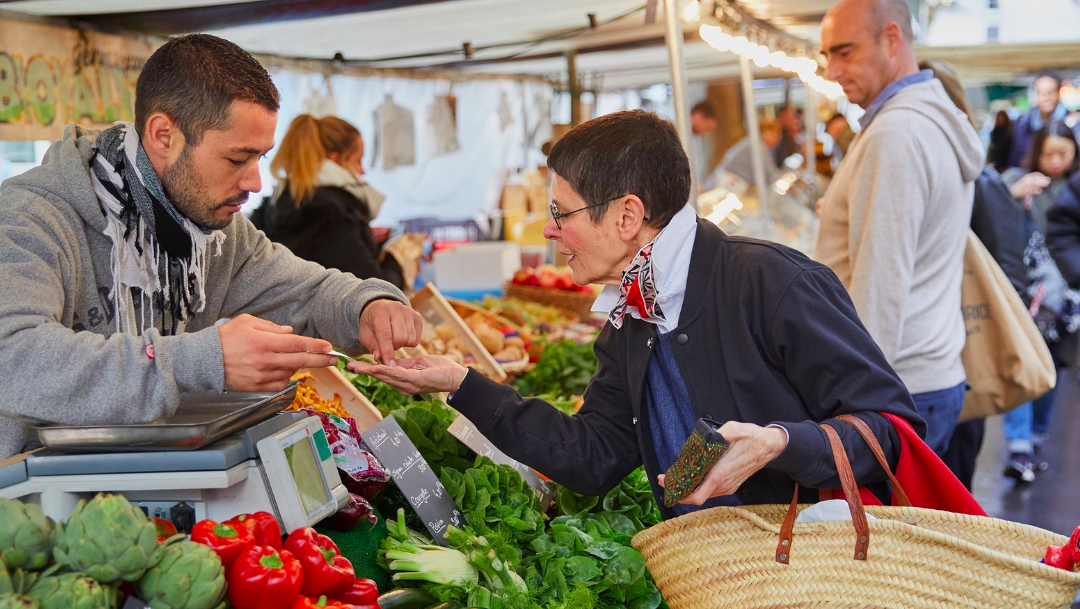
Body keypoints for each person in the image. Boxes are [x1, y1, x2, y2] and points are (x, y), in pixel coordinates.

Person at [351, 110, 925, 518]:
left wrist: (780, 442)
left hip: (811, 575)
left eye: (561, 212)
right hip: (712, 575)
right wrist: (462, 384)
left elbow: (893, 431)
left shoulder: (772, 282)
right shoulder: (631, 317)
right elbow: (592, 456)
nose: (549, 229)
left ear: (628, 216)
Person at [0, 34, 423, 460]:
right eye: (237, 159)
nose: (254, 182)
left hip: (146, 479)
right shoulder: (30, 218)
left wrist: (367, 306)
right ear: (163, 135)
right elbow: (12, 359)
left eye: (260, 158)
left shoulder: (216, 233)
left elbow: (308, 293)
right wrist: (203, 360)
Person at [815, 0, 984, 458]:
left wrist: (854, 403)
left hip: (898, 389)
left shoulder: (896, 135)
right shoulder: (923, 119)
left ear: (891, 38)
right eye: (827, 55)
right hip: (923, 380)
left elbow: (879, 289)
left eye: (844, 51)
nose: (832, 71)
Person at [920, 59, 1031, 489]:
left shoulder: (979, 181)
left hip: (965, 349)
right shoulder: (924, 175)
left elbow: (1010, 270)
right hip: (933, 353)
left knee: (953, 476)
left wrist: (988, 330)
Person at [1000, 120, 1080, 482]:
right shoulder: (1018, 179)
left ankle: (1034, 439)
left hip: (1065, 300)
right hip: (1024, 291)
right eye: (1049, 153)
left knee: (1052, 367)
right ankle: (1019, 446)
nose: (1056, 161)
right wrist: (1013, 193)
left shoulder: (1074, 186)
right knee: (1021, 364)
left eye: (1064, 153)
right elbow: (986, 210)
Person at [252, 114, 405, 288]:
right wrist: (397, 258)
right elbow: (375, 289)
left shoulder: (278, 204)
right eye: (358, 161)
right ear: (335, 160)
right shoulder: (331, 213)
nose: (362, 171)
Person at [1007, 71, 1068, 170]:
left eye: (1050, 92)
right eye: (1040, 93)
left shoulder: (1072, 123)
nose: (1045, 97)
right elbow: (1015, 157)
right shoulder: (1023, 123)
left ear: (1058, 93)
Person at [703, 118, 782, 190]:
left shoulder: (753, 143)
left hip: (727, 181)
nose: (777, 139)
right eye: (774, 134)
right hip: (728, 183)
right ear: (764, 132)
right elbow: (769, 173)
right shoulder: (757, 146)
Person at [690, 101, 720, 188]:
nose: (706, 133)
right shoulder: (674, 134)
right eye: (707, 127)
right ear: (698, 116)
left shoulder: (694, 138)